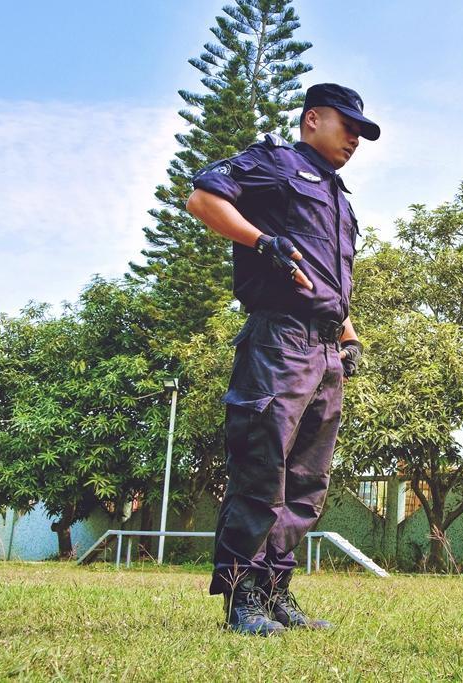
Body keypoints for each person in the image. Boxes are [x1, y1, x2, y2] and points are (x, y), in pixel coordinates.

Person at [186, 83, 379, 636]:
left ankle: (276, 590)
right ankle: (243, 597)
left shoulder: (340, 197)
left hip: (325, 348)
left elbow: (328, 281)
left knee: (306, 480)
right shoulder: (275, 163)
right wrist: (260, 240)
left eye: (361, 133)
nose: (355, 140)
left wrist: (349, 335)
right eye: (348, 127)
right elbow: (203, 200)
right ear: (312, 119)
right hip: (278, 342)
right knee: (260, 468)